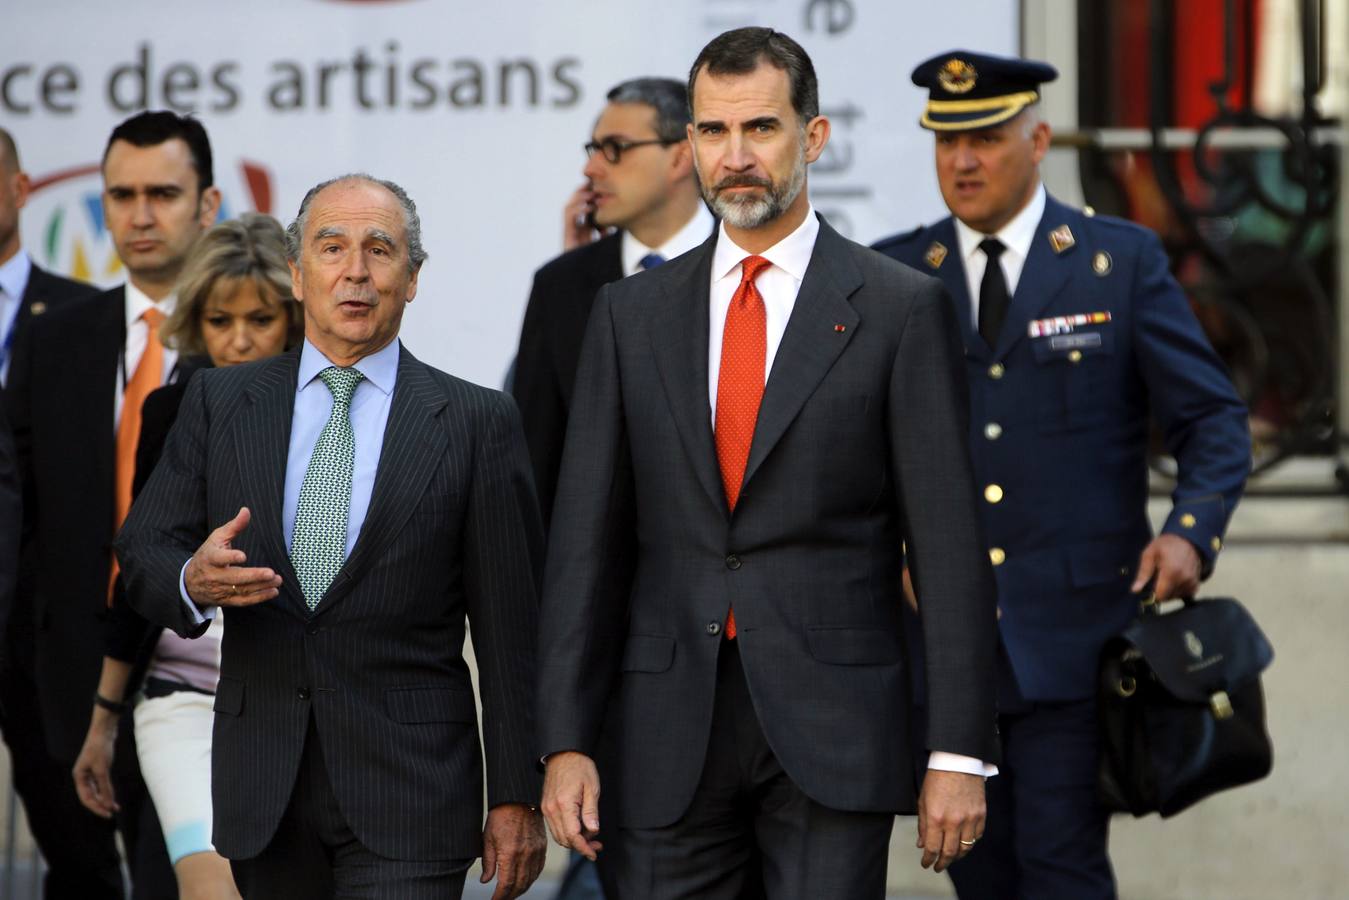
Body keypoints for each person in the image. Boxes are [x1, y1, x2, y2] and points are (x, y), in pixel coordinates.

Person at [537, 28, 998, 900]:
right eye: (712, 132)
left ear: (812, 138)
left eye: (761, 129)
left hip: (835, 726)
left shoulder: (900, 310)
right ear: (690, 149)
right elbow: (584, 545)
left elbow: (946, 547)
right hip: (662, 728)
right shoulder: (626, 317)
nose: (735, 157)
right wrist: (564, 740)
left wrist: (958, 750)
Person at [872, 50, 1250, 899]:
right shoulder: (895, 274)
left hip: (1074, 643)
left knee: (1060, 867)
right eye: (945, 143)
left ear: (1038, 139)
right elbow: (858, 448)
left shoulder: (1116, 264)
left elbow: (1213, 420)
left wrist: (1192, 530)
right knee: (980, 875)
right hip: (944, 651)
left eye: (987, 139)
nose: (962, 162)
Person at [114, 174, 547, 900]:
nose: (355, 271)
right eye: (332, 247)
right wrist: (192, 579)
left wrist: (515, 795)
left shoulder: (476, 422)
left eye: (380, 250)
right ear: (296, 271)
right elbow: (143, 549)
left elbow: (510, 632)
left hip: (412, 791)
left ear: (412, 279)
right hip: (264, 786)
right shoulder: (220, 403)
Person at [9, 109, 222, 899]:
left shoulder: (247, 340)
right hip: (65, 675)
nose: (138, 215)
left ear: (208, 205)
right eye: (119, 194)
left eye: (163, 193)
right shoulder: (56, 335)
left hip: (197, 674)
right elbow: (22, 509)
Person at [72, 213, 303, 900]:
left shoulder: (335, 408)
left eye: (259, 318)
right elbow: (138, 569)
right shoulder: (174, 409)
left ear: (292, 317)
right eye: (217, 320)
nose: (237, 340)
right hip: (181, 699)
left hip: (295, 699)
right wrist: (102, 721)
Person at [514, 77, 714, 529]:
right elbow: (534, 460)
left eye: (616, 149)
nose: (592, 170)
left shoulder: (748, 263)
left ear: (683, 154)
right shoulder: (560, 285)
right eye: (593, 150)